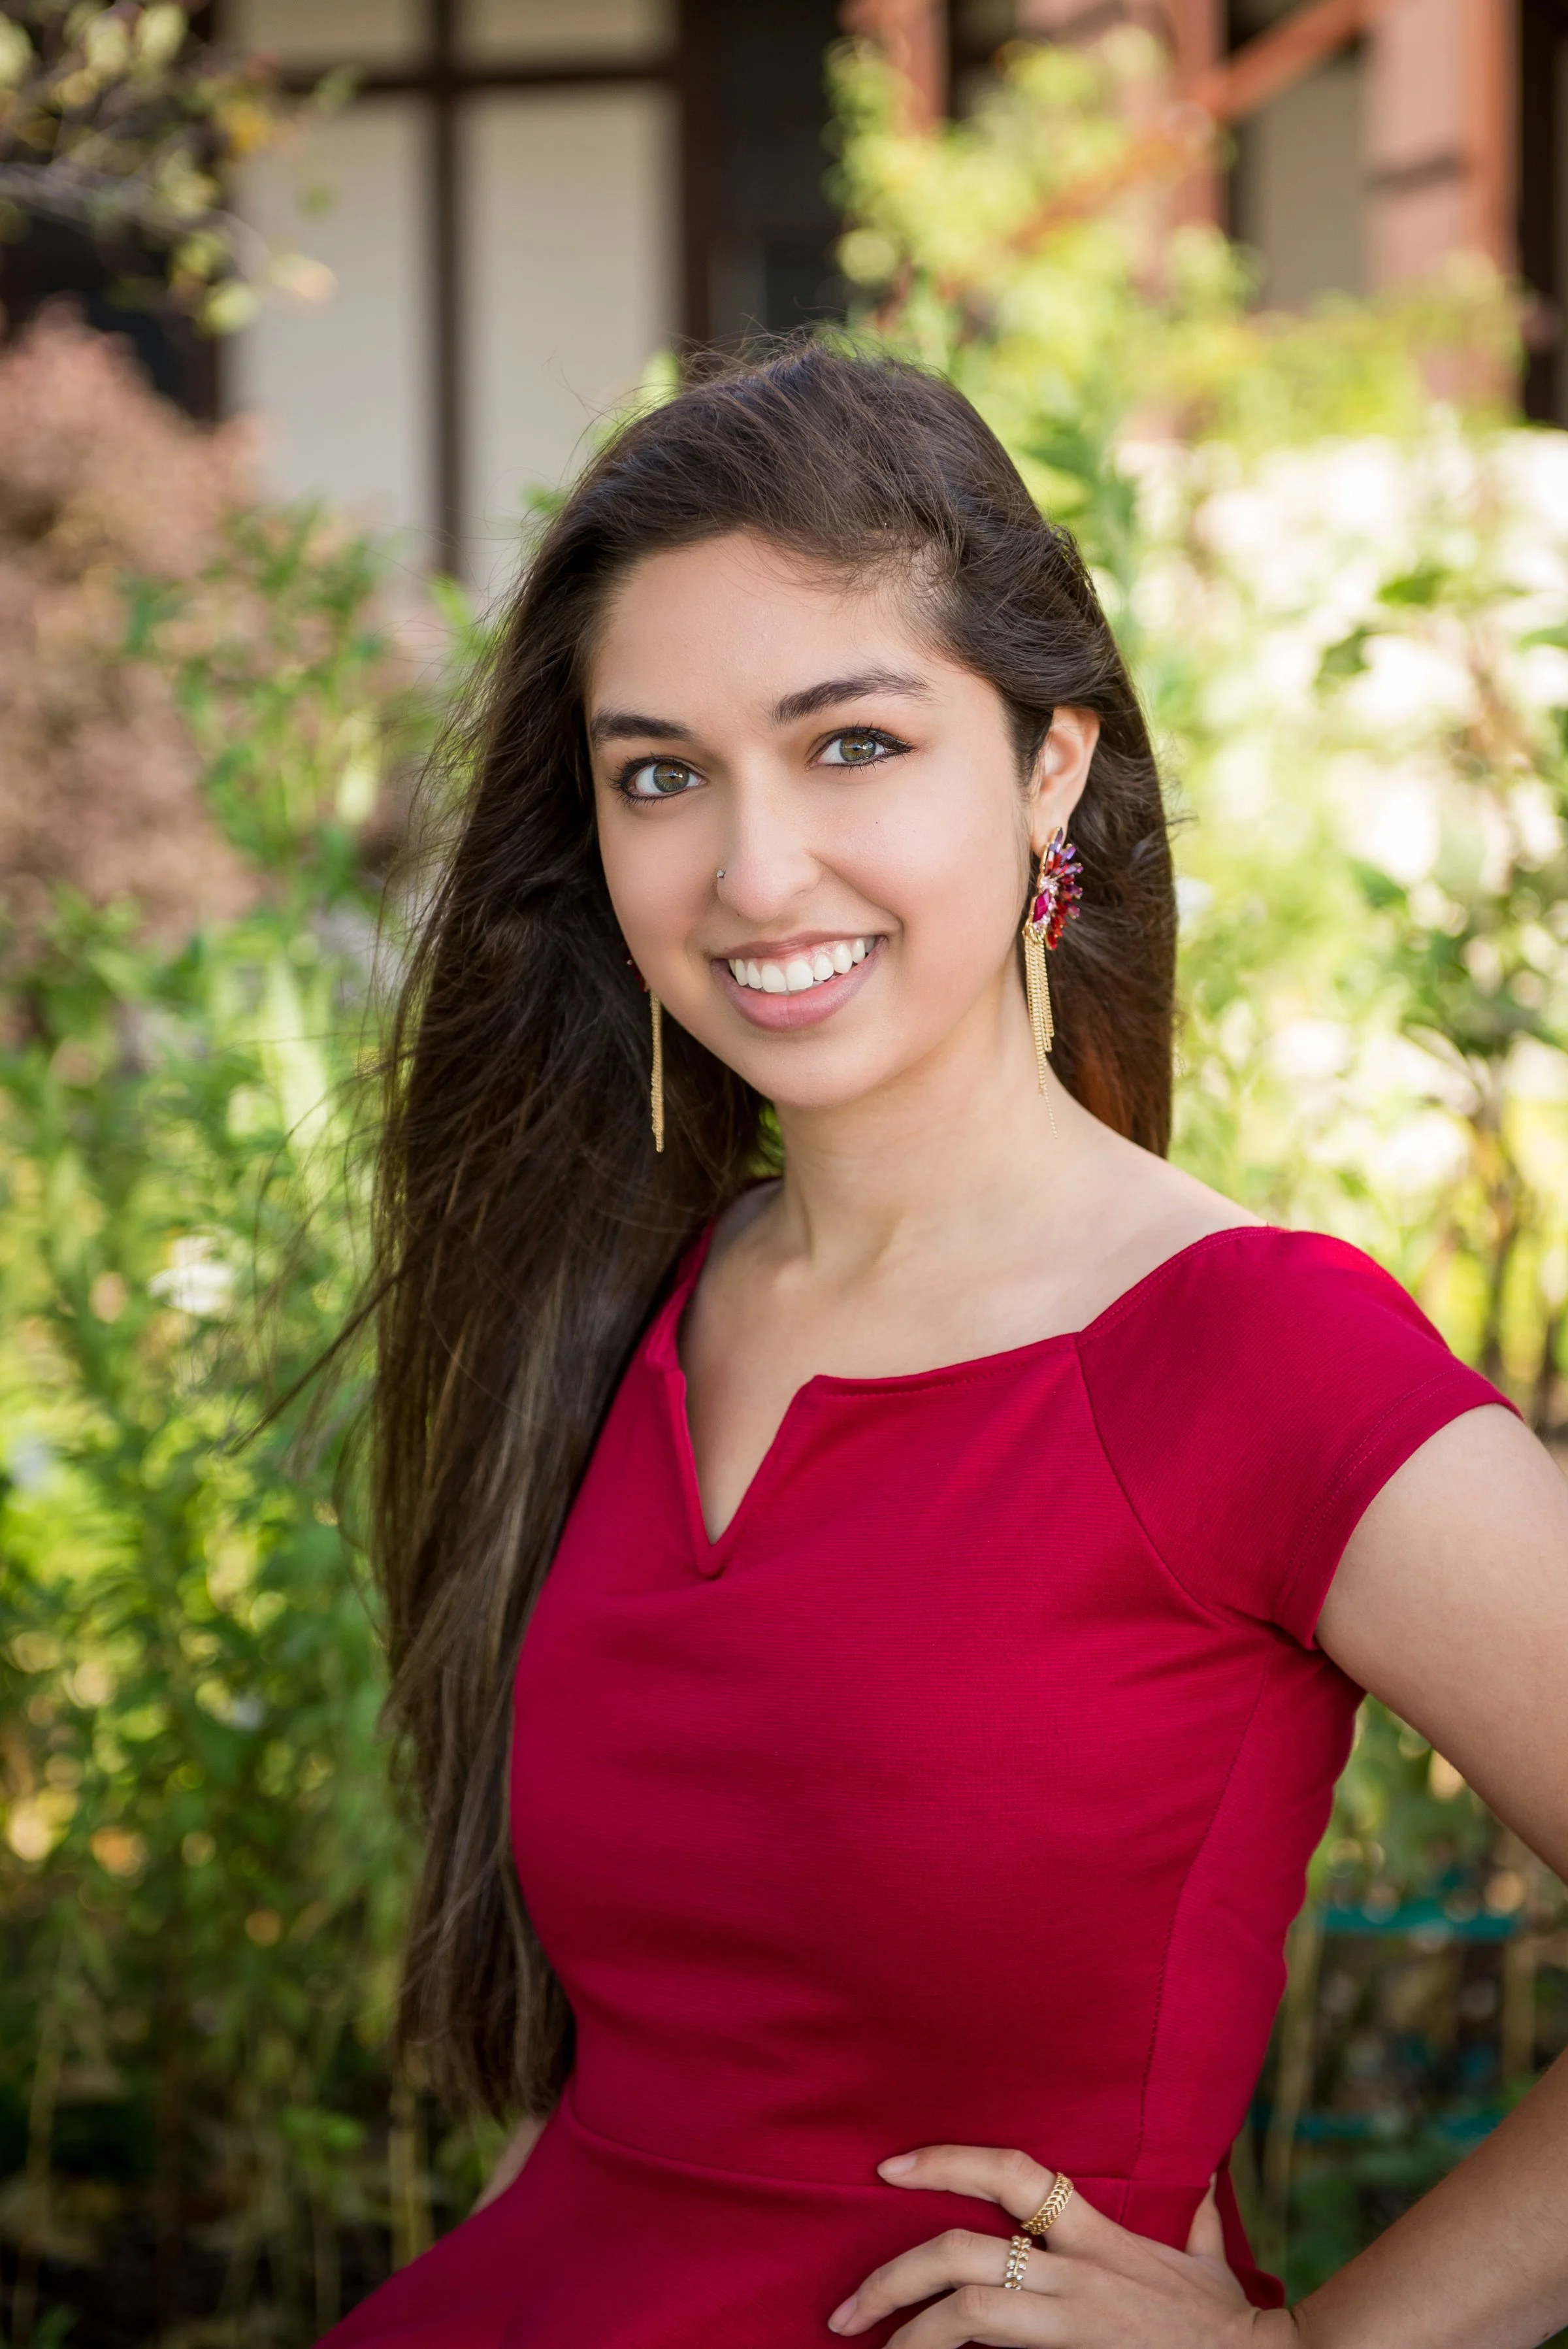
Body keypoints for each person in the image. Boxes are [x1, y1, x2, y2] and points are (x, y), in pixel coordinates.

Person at [326, 344, 1568, 2349]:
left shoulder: (1251, 1356)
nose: (750, 872)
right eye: (662, 773)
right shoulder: (626, 1306)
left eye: (852, 746)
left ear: (1049, 764)